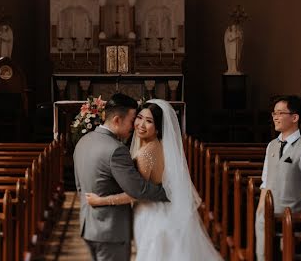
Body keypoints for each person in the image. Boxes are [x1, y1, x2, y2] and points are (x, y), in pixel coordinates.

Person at [85, 99, 220, 261]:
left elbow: (135, 193)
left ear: (158, 128)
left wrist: (101, 201)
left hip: (151, 215)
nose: (141, 124)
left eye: (149, 121)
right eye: (139, 117)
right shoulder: (159, 145)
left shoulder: (146, 154)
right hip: (164, 210)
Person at [73, 93, 170, 261]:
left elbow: (80, 186)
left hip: (88, 226)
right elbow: (138, 190)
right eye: (133, 120)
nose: (134, 126)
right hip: (111, 231)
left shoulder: (83, 141)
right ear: (117, 120)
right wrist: (167, 192)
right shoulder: (116, 150)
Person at [255, 95, 301, 261]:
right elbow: (265, 182)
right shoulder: (271, 146)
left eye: (280, 113)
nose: (275, 117)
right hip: (266, 218)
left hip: (290, 220)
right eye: (273, 113)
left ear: (295, 117)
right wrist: (260, 212)